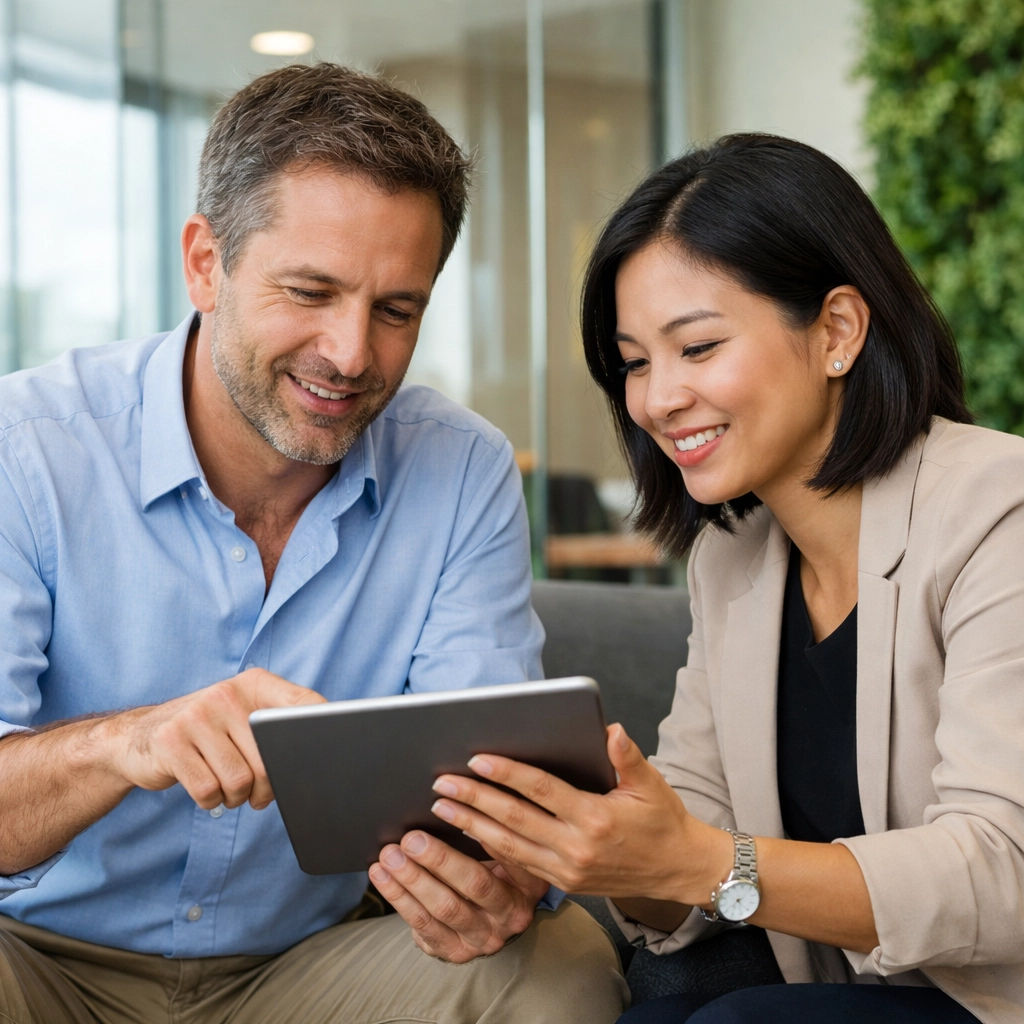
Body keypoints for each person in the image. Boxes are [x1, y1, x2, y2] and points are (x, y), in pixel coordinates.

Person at [0, 62, 627, 1024]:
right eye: (311, 291)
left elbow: (491, 788)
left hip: (303, 971)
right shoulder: (27, 451)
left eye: (395, 310)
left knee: (561, 966)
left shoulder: (462, 472)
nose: (349, 353)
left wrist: (493, 877)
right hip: (36, 959)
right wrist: (132, 742)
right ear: (206, 262)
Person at [423, 134, 1024, 1023]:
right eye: (634, 361)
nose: (658, 398)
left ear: (837, 332)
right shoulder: (735, 555)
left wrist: (700, 862)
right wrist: (583, 847)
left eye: (696, 348)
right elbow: (684, 848)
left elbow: (1002, 870)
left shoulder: (998, 509)